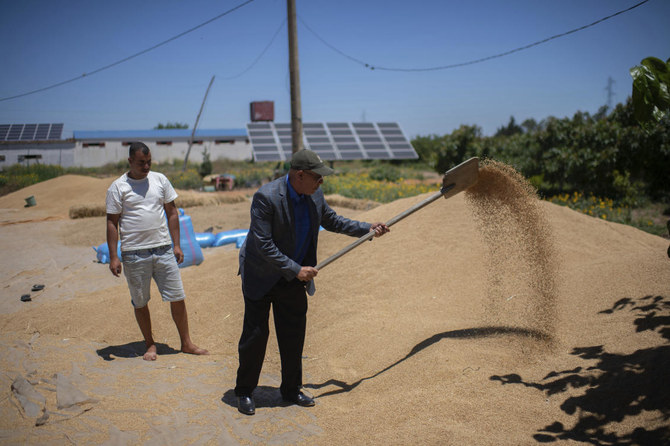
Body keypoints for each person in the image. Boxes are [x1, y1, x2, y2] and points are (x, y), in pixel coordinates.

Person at [234, 149, 390, 415]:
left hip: (295, 275)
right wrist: (295, 269)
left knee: (293, 334)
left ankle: (291, 389)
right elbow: (263, 244)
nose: (322, 182)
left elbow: (331, 220)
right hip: (262, 275)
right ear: (300, 175)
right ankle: (245, 391)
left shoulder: (314, 193)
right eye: (318, 177)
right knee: (255, 336)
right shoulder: (266, 197)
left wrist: (366, 228)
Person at [106, 142, 208, 361]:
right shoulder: (117, 187)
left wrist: (177, 244)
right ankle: (150, 344)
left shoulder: (160, 180)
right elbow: (112, 223)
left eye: (149, 162)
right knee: (140, 302)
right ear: (130, 161)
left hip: (163, 250)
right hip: (134, 254)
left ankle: (186, 343)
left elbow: (172, 212)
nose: (146, 166)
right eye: (141, 163)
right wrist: (114, 256)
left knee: (177, 296)